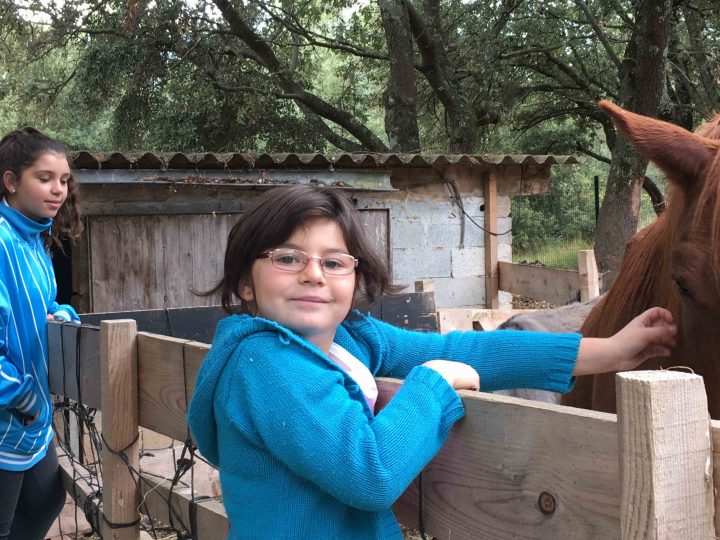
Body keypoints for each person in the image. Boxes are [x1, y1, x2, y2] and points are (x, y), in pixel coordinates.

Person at [187, 185, 676, 540]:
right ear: (245, 283)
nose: (314, 274)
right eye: (288, 258)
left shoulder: (350, 339)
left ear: (354, 277)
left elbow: (467, 350)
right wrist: (433, 385)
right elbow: (369, 474)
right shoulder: (264, 363)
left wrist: (610, 350)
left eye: (334, 262)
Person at [0, 128, 83, 540]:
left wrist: (57, 312)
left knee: (46, 500)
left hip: (31, 416)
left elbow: (36, 305)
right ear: (11, 181)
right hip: (11, 410)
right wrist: (22, 397)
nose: (58, 190)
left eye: (64, 180)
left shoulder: (34, 242)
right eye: (45, 178)